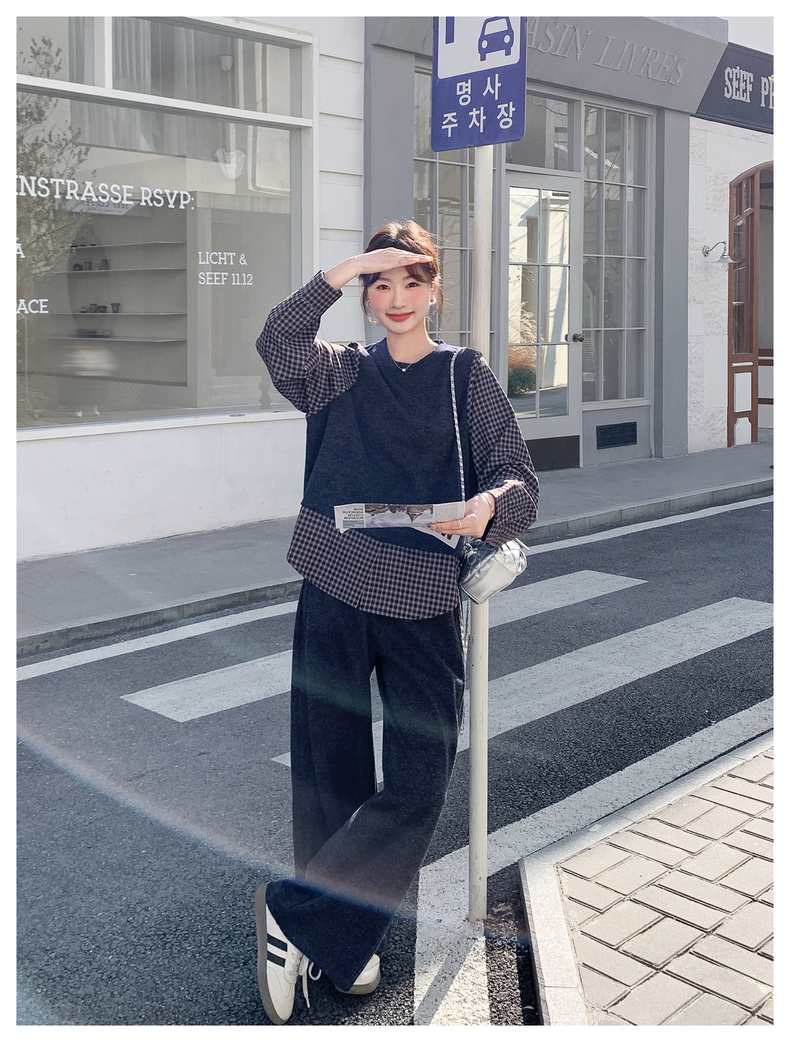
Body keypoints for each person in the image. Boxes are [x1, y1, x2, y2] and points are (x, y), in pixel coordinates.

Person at [254, 219, 539, 1023]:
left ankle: (300, 915)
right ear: (366, 295)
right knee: (330, 771)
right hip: (336, 588)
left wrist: (489, 507)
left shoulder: (464, 376)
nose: (397, 297)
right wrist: (343, 268)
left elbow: (520, 479)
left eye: (412, 280)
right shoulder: (339, 372)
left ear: (435, 289)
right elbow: (277, 342)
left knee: (418, 781)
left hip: (424, 603)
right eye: (381, 283)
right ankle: (340, 940)